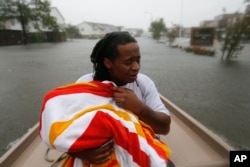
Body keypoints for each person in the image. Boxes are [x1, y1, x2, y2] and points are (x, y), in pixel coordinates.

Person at [71, 31, 173, 166]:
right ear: (108, 63)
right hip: (103, 155)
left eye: (138, 60)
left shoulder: (144, 83)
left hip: (139, 146)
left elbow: (164, 128)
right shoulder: (85, 86)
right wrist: (81, 153)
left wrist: (139, 108)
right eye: (128, 62)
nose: (136, 67)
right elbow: (64, 131)